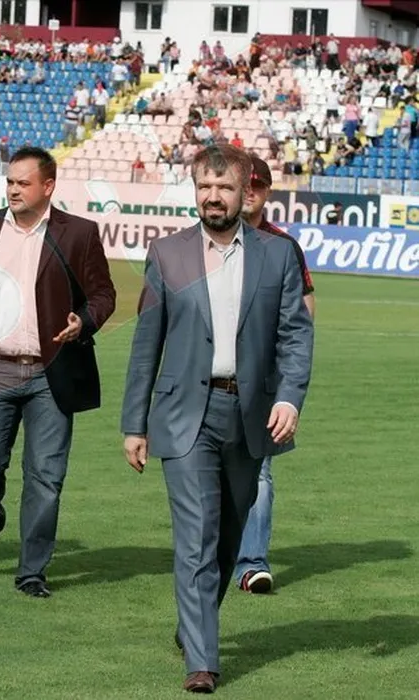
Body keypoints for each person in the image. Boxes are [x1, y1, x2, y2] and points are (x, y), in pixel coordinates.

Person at [120, 144, 314, 693]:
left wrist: (289, 398)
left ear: (245, 191)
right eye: (204, 186)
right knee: (197, 536)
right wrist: (134, 424)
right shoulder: (168, 254)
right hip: (185, 417)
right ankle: (202, 662)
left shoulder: (278, 255)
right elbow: (146, 343)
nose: (213, 196)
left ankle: (194, 621)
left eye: (224, 188)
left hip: (250, 416)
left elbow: (296, 335)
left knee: (228, 537)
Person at [0, 146, 117, 598]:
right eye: (10, 182)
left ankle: (32, 570)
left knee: (46, 477)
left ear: (48, 186)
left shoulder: (79, 233)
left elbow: (103, 295)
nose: (13, 190)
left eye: (23, 183)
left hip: (51, 373)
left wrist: (83, 321)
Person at [233, 155, 316, 594]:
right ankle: (213, 555)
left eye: (258, 185)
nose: (250, 191)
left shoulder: (284, 246)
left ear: (267, 191)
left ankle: (252, 564)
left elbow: (305, 311)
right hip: (207, 378)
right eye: (243, 183)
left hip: (263, 381)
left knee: (259, 471)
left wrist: (286, 378)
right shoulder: (202, 240)